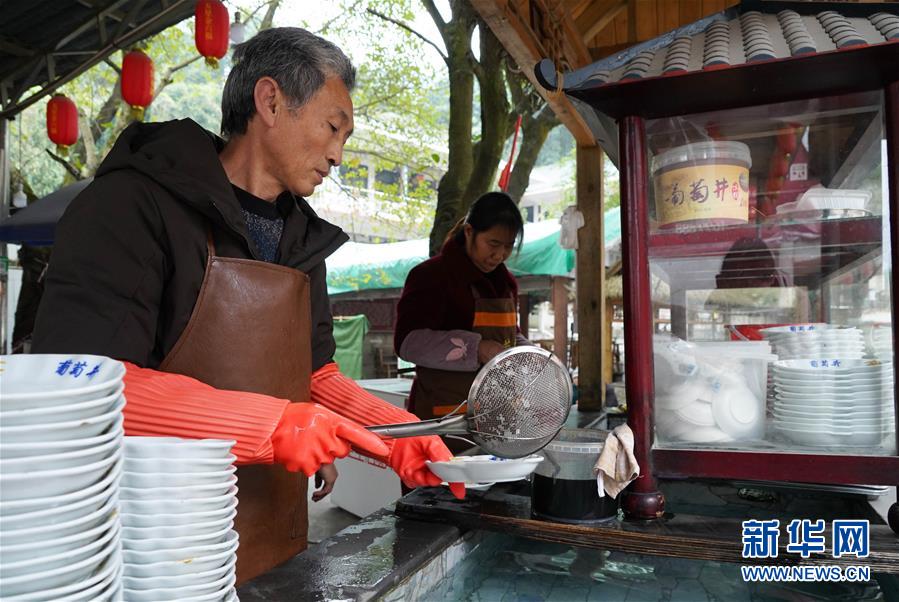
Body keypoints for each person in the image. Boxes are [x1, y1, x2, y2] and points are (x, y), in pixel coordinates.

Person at [31, 27, 462, 584]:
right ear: (271, 101)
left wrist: (400, 435)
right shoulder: (133, 203)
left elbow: (313, 375)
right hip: (151, 547)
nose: (338, 154)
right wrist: (274, 424)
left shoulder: (304, 240)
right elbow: (81, 383)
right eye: (333, 127)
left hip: (276, 538)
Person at [394, 192, 530, 451]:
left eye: (508, 246)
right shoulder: (430, 276)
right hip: (440, 420)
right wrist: (477, 348)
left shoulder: (505, 283)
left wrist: (530, 354)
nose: (499, 255)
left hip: (496, 419)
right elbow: (408, 343)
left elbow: (511, 335)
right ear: (469, 232)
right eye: (493, 243)